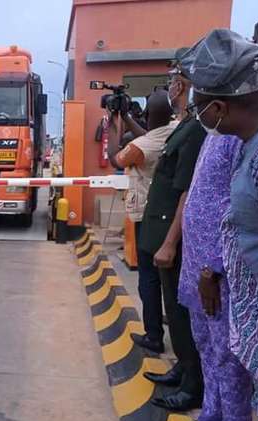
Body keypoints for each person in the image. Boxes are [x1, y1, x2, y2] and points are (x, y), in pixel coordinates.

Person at [182, 29, 258, 421]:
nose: (195, 112)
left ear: (219, 106)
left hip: (227, 280)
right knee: (211, 350)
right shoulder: (231, 136)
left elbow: (233, 213)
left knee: (229, 362)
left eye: (198, 105)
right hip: (207, 265)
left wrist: (212, 267)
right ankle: (214, 419)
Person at [165, 135, 253, 421]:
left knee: (227, 356)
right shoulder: (213, 135)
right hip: (195, 263)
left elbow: (238, 207)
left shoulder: (240, 139)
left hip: (217, 272)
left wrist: (213, 265)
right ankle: (211, 417)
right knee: (205, 345)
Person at [139, 52, 206, 412]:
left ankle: (193, 384)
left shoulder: (195, 129)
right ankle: (184, 368)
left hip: (171, 236)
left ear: (186, 84)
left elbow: (185, 191)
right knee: (173, 307)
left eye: (175, 79)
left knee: (181, 313)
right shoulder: (184, 124)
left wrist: (169, 242)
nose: (172, 84)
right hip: (160, 230)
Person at [107, 90, 177, 354]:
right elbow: (149, 134)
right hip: (170, 216)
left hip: (146, 217)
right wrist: (125, 115)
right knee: (168, 277)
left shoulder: (140, 148)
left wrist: (113, 123)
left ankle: (153, 335)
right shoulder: (175, 130)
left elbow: (116, 156)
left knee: (148, 278)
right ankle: (169, 319)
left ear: (148, 116)